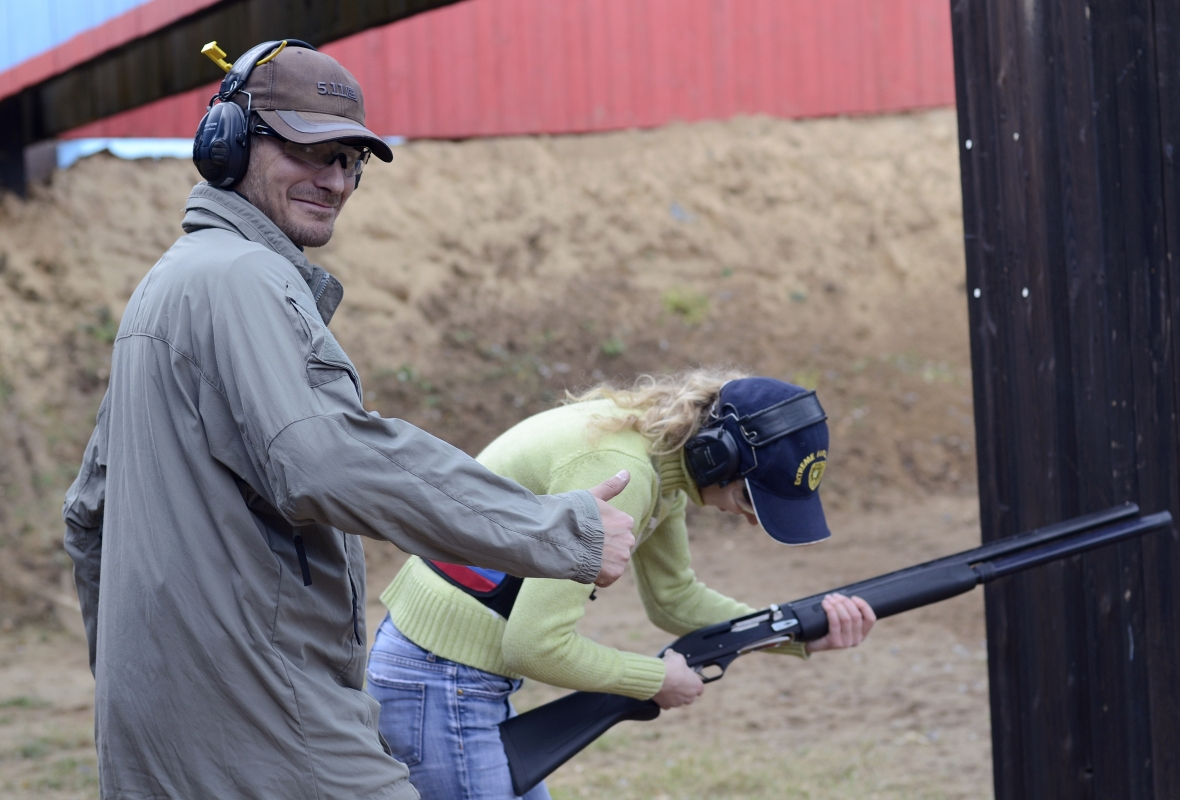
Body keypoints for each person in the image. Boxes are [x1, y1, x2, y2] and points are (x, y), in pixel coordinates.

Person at [61, 41, 637, 800]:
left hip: (171, 730)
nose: (333, 179)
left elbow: (88, 514)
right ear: (227, 144)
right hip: (266, 720)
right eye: (307, 151)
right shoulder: (243, 279)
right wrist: (559, 529)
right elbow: (328, 460)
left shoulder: (172, 284)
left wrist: (144, 692)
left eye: (348, 160)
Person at [368, 370, 877, 799]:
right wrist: (655, 680)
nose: (749, 519)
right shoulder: (627, 471)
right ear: (714, 456)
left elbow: (674, 599)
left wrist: (796, 632)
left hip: (448, 675)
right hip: (441, 681)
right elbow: (534, 646)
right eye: (750, 499)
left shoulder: (658, 456)